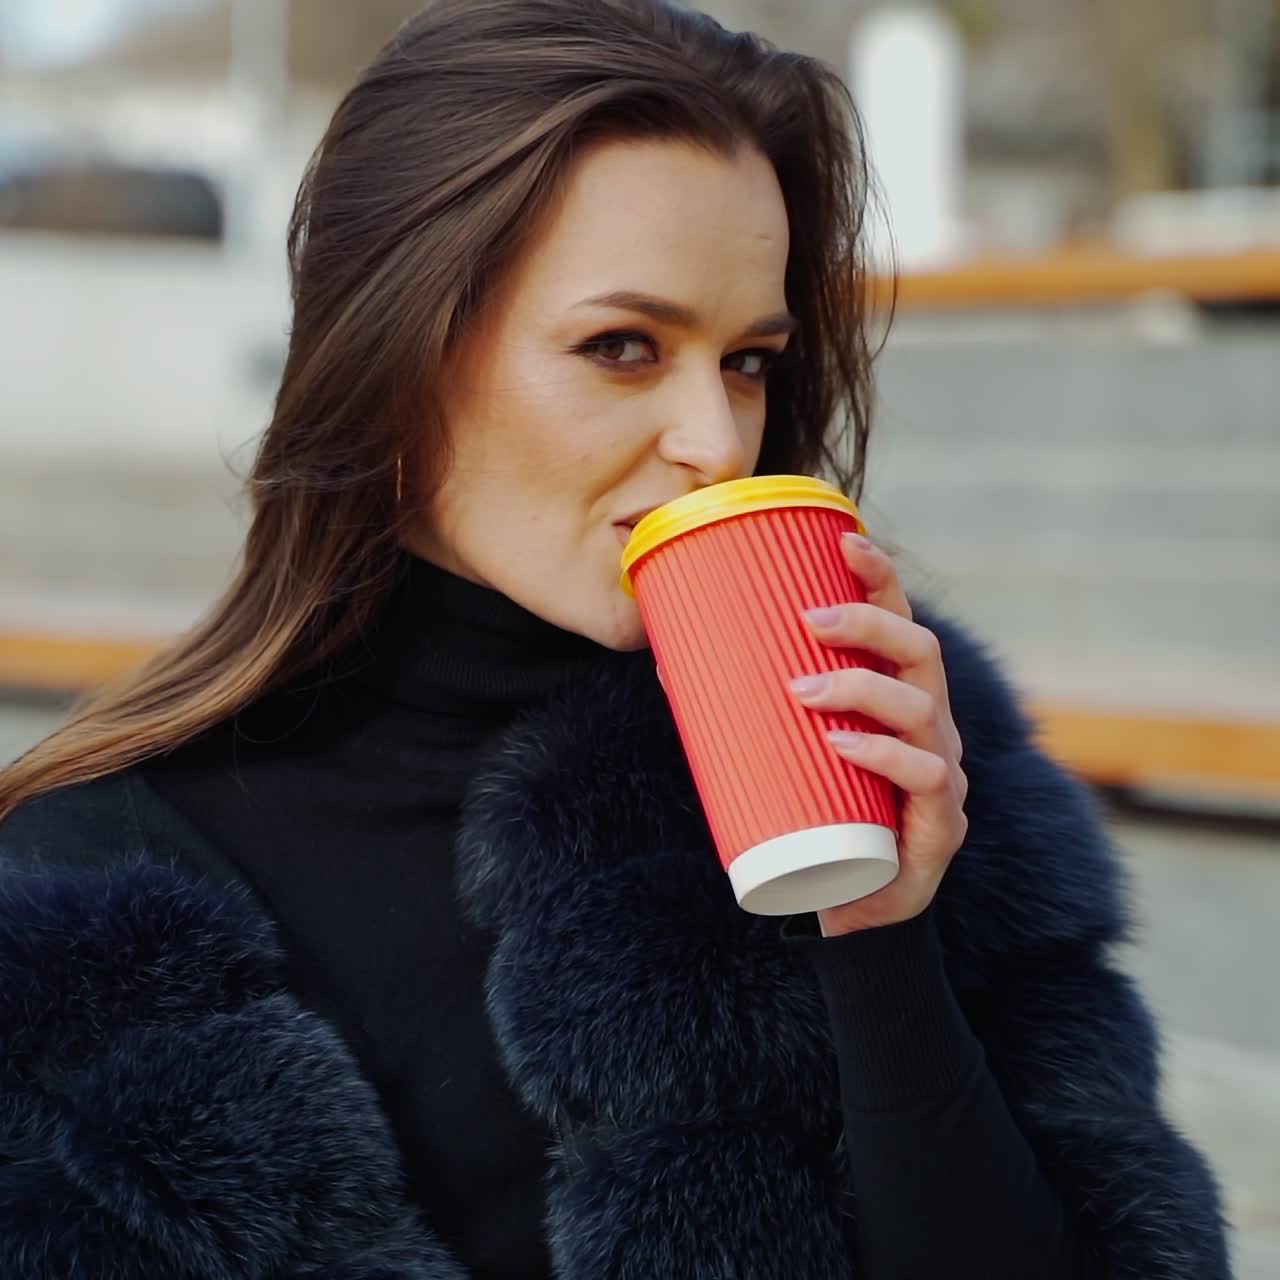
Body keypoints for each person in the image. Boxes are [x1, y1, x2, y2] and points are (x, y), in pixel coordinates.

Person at [0, 2, 1228, 1277]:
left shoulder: (881, 738)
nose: (714, 439)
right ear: (397, 347)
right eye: (622, 347)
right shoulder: (90, 901)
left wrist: (880, 940)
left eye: (747, 360)